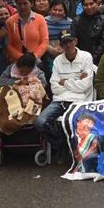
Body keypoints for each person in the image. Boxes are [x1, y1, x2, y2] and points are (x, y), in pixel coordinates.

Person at [36, 30, 95, 162]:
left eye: (70, 41)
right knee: (40, 123)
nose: (68, 45)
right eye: (64, 43)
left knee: (74, 125)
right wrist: (75, 81)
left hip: (79, 101)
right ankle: (62, 145)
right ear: (61, 45)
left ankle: (69, 149)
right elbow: (54, 87)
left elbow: (85, 86)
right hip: (60, 100)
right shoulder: (58, 60)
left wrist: (64, 82)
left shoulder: (86, 57)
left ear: (75, 41)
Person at [5, 0, 49, 64]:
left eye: (25, 3)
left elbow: (44, 41)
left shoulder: (40, 19)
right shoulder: (10, 21)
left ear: (31, 3)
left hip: (36, 61)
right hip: (17, 63)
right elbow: (9, 45)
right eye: (19, 4)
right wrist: (22, 58)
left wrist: (34, 57)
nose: (22, 6)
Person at [74, 0, 104, 65]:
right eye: (86, 5)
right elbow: (75, 41)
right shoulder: (77, 21)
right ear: (82, 6)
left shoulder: (103, 19)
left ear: (96, 3)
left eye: (91, 4)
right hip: (81, 60)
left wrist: (93, 58)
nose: (89, 7)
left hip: (100, 60)